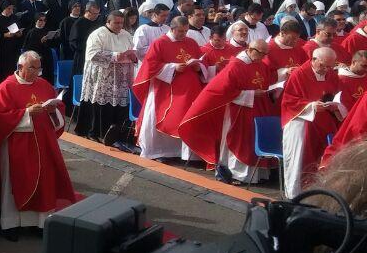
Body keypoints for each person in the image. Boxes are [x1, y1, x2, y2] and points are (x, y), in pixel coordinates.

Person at [0, 51, 74, 236]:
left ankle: (40, 223)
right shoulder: (6, 87)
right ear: (20, 67)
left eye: (39, 68)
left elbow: (58, 111)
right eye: (32, 68)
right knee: (14, 182)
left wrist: (52, 110)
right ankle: (11, 224)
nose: (37, 73)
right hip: (16, 145)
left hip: (43, 143)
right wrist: (26, 113)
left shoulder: (44, 85)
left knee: (44, 181)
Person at [179, 40, 277, 185]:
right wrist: (251, 94)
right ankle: (237, 173)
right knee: (240, 141)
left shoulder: (260, 64)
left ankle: (256, 175)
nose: (263, 57)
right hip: (238, 110)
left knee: (253, 140)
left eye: (265, 54)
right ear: (251, 49)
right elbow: (225, 91)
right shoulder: (235, 66)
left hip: (257, 108)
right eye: (261, 53)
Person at [132, 16, 206, 160]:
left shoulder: (191, 42)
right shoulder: (160, 43)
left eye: (185, 31)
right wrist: (173, 67)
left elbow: (202, 61)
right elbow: (151, 65)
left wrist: (199, 67)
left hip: (190, 89)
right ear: (172, 29)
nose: (183, 34)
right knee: (163, 117)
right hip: (165, 88)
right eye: (180, 31)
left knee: (187, 118)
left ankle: (185, 153)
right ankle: (159, 151)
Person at [279, 48, 343, 199]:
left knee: (320, 158)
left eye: (329, 66)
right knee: (298, 159)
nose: (326, 70)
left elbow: (336, 96)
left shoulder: (331, 75)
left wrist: (335, 106)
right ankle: (294, 195)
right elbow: (289, 100)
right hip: (300, 123)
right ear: (314, 60)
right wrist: (312, 106)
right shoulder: (299, 74)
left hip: (323, 124)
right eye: (323, 66)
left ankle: (316, 194)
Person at [75, 10, 137, 145]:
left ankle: (119, 134)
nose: (120, 26)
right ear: (108, 22)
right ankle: (96, 132)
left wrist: (133, 56)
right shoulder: (98, 34)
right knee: (101, 103)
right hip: (102, 77)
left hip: (121, 76)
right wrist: (114, 56)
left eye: (121, 23)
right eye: (116, 23)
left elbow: (133, 50)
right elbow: (92, 53)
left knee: (120, 106)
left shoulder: (126, 35)